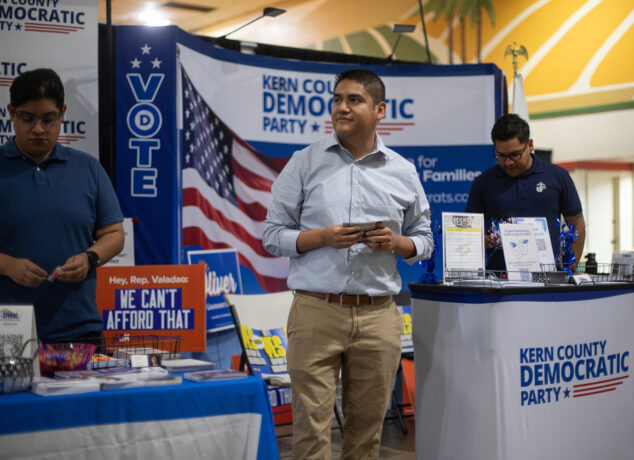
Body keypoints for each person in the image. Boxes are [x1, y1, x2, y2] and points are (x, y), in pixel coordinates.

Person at [263, 69, 433, 459]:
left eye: (354, 100)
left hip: (378, 316)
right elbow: (272, 236)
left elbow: (425, 241)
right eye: (337, 99)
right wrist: (321, 237)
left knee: (366, 436)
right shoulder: (304, 162)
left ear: (379, 110)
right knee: (311, 434)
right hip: (316, 312)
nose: (342, 107)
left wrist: (396, 242)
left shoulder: (403, 171)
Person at [0, 68, 124, 344]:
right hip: (7, 331)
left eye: (48, 119)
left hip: (80, 329)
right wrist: (7, 265)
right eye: (27, 119)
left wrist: (89, 259)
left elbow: (114, 234)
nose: (38, 129)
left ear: (63, 113)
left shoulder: (88, 168)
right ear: (11, 113)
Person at [465, 113, 585, 271]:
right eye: (501, 155)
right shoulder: (483, 183)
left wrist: (571, 269)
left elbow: (576, 223)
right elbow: (469, 235)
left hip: (548, 278)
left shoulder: (557, 176)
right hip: (500, 279)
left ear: (530, 145)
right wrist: (492, 241)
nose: (508, 162)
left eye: (515, 155)